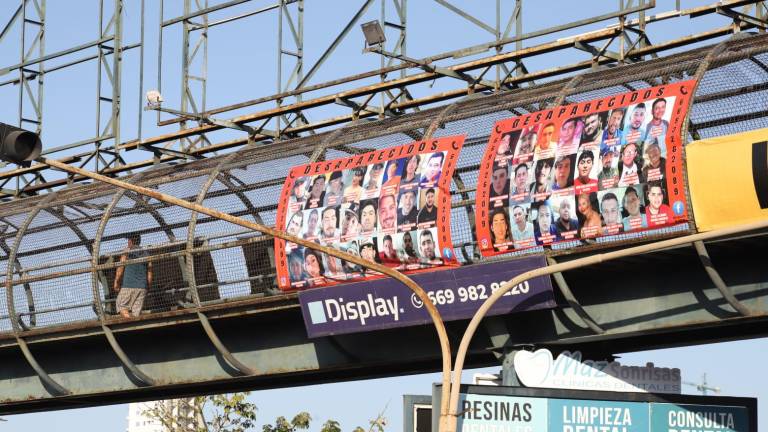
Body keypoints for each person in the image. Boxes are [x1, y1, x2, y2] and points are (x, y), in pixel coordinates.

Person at [114, 233, 153, 318]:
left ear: (131, 241)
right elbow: (149, 273)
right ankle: (134, 324)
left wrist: (116, 282)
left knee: (121, 306)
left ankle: (128, 320)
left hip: (128, 285)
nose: (128, 242)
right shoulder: (147, 253)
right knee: (136, 313)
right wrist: (148, 287)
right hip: (142, 287)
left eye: (129, 240)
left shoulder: (127, 252)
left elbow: (120, 269)